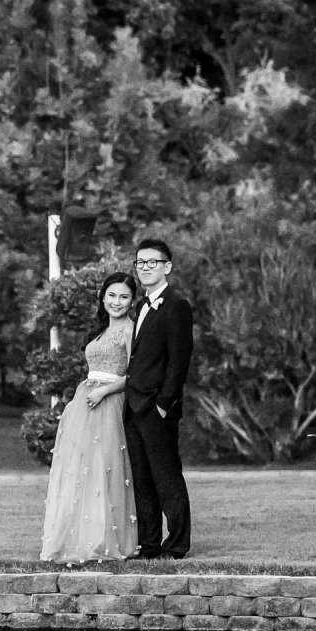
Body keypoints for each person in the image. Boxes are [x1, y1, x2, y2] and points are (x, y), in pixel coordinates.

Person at [40, 272, 141, 563]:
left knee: (106, 468)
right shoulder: (99, 331)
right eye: (111, 295)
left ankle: (108, 540)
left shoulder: (129, 331)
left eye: (123, 296)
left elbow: (134, 373)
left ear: (132, 300)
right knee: (82, 471)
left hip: (109, 402)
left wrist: (105, 391)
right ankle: (78, 538)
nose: (117, 302)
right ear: (103, 297)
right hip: (86, 402)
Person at [124, 237, 194, 559]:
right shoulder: (141, 305)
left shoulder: (176, 305)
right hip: (134, 406)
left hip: (156, 408)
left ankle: (177, 544)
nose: (145, 268)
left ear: (167, 266)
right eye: (140, 263)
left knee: (167, 477)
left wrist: (165, 404)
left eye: (152, 262)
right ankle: (148, 544)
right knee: (142, 479)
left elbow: (179, 360)